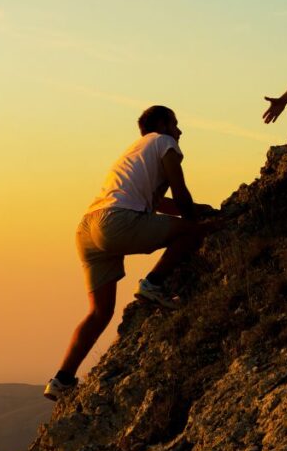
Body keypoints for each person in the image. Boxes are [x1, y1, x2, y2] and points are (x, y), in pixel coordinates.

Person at [43, 105, 216, 401]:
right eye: (175, 123)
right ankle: (153, 284)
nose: (180, 131)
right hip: (116, 222)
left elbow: (158, 204)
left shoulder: (136, 152)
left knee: (99, 312)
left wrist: (198, 208)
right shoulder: (165, 143)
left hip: (87, 229)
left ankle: (62, 380)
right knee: (192, 231)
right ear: (162, 124)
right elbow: (180, 193)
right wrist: (199, 221)